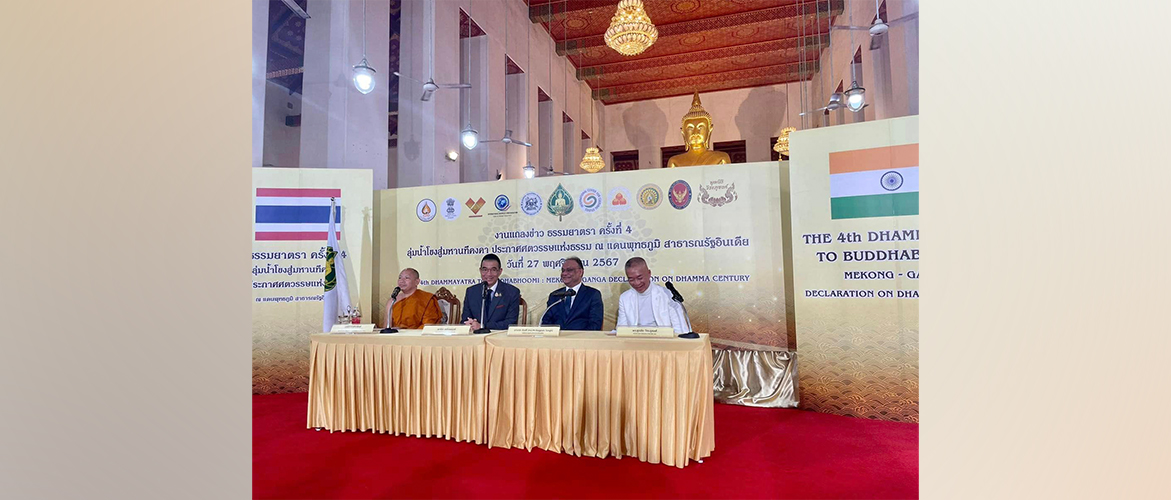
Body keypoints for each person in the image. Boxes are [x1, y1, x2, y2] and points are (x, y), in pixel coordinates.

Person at [615, 257, 689, 333]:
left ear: (649, 273)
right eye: (631, 279)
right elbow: (621, 330)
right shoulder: (625, 298)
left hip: (663, 342)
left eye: (640, 278)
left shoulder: (667, 294)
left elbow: (680, 329)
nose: (636, 283)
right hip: (636, 342)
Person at [540, 257, 604, 330]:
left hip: (582, 339)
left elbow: (595, 324)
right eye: (563, 270)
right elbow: (546, 323)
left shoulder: (592, 294)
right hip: (557, 339)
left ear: (580, 272)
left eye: (569, 270)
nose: (564, 273)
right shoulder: (555, 296)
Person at [461, 254, 521, 331]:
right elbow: (465, 320)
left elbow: (511, 323)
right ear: (480, 270)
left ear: (500, 271)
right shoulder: (471, 292)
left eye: (493, 270)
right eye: (485, 269)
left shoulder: (511, 292)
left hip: (500, 338)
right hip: (475, 337)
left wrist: (483, 326)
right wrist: (470, 324)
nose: (489, 274)